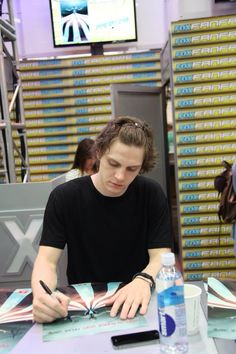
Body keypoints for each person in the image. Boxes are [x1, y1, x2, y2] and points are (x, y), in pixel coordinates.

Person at [31, 116, 173, 323]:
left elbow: (161, 255)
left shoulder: (151, 194)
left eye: (132, 169)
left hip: (139, 298)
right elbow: (47, 260)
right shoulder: (64, 197)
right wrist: (42, 296)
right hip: (85, 307)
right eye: (113, 164)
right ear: (98, 153)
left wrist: (144, 279)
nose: (120, 177)